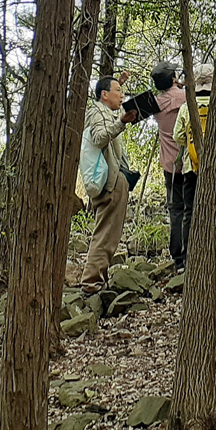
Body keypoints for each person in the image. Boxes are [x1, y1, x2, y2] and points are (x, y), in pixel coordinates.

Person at [81, 76, 139, 291]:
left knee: (109, 232)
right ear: (104, 94)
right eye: (117, 90)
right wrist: (121, 122)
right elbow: (98, 138)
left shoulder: (105, 112)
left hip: (114, 180)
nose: (122, 94)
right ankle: (91, 282)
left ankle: (97, 279)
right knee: (106, 232)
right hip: (110, 182)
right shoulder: (97, 111)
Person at [170, 63, 214, 269]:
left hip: (191, 166)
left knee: (189, 211)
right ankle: (213, 253)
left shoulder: (188, 106)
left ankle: (187, 256)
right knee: (214, 209)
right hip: (214, 168)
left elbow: (178, 136)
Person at [152, 62, 189, 269]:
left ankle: (177, 257)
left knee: (175, 209)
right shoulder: (186, 97)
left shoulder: (155, 104)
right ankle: (192, 249)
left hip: (170, 166)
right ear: (174, 79)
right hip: (190, 162)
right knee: (192, 207)